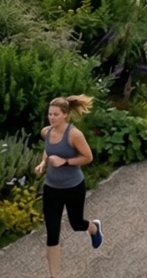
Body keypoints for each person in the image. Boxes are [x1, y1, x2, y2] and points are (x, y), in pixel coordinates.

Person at [35, 94, 102, 277]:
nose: (51, 117)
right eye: (49, 114)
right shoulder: (46, 132)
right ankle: (54, 275)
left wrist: (64, 161)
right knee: (52, 232)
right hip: (51, 189)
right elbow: (48, 150)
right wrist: (43, 163)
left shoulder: (74, 135)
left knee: (76, 223)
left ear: (65, 114)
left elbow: (88, 157)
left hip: (73, 187)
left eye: (56, 114)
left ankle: (94, 228)